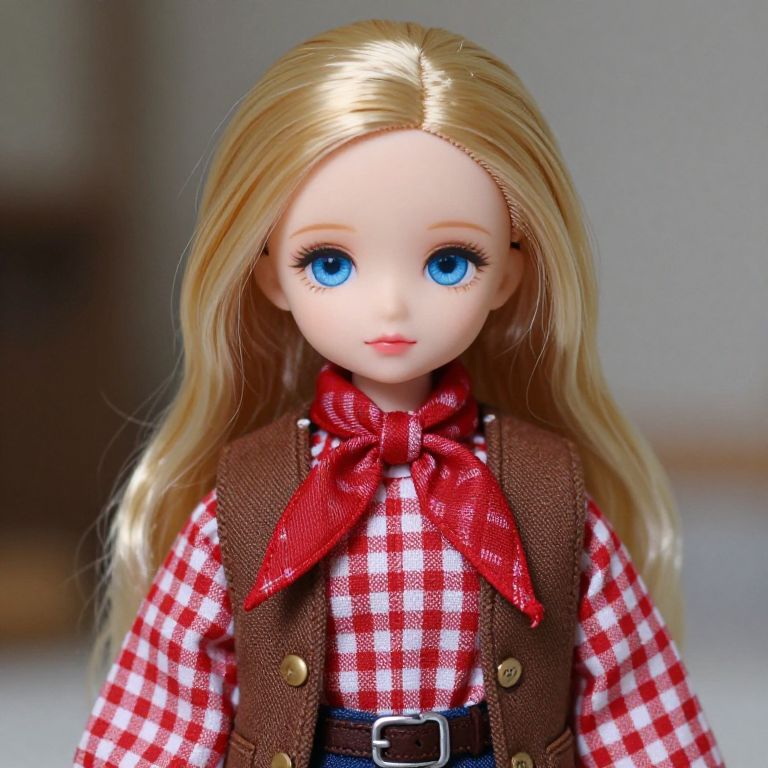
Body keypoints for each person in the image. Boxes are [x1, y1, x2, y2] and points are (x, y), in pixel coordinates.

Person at [74, 19, 723, 768]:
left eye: (449, 262)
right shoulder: (251, 495)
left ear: (509, 274)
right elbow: (170, 693)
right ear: (269, 274)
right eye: (330, 262)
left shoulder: (544, 490)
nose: (390, 307)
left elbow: (630, 694)